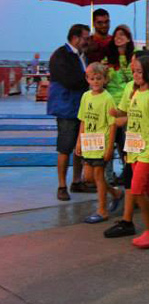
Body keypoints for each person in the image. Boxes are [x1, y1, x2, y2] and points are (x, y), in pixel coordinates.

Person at [107, 53, 149, 249]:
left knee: (137, 189)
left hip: (147, 150)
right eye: (134, 71)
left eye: (139, 72)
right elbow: (127, 118)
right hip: (133, 149)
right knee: (143, 187)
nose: (135, 75)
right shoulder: (134, 93)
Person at [76, 62, 122, 223]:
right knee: (89, 177)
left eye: (99, 78)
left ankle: (102, 210)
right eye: (92, 78)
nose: (95, 82)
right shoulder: (85, 96)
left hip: (101, 143)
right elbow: (83, 120)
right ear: (87, 79)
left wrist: (110, 147)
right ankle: (115, 193)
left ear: (104, 79)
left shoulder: (107, 99)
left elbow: (112, 124)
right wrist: (79, 142)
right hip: (89, 143)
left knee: (98, 175)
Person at [48, 24, 90, 201]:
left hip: (79, 107)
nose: (87, 41)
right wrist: (88, 79)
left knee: (79, 148)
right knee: (65, 147)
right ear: (75, 38)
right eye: (85, 38)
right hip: (66, 107)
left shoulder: (82, 56)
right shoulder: (61, 55)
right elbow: (70, 80)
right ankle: (62, 185)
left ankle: (77, 181)